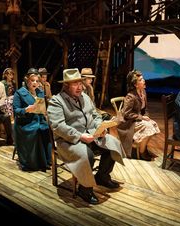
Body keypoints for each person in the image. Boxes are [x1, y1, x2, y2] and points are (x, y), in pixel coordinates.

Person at [47, 68, 126, 204]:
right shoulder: (56, 101)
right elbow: (58, 126)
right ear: (66, 86)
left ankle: (102, 176)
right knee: (87, 154)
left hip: (91, 134)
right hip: (69, 140)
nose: (80, 87)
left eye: (80, 83)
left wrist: (100, 127)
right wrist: (80, 136)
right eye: (75, 84)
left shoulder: (85, 97)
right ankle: (85, 189)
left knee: (112, 143)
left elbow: (94, 115)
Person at [13, 68, 52, 172]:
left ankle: (46, 161)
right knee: (36, 131)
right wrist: (26, 109)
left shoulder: (40, 92)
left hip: (39, 119)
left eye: (37, 81)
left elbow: (43, 106)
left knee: (47, 129)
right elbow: (16, 110)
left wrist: (45, 111)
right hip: (25, 123)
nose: (35, 83)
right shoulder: (19, 93)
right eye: (32, 80)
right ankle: (32, 163)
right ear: (27, 80)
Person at [116, 69, 160, 160]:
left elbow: (145, 108)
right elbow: (126, 114)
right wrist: (141, 117)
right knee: (148, 127)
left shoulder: (143, 92)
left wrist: (146, 115)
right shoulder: (131, 96)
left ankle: (143, 148)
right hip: (128, 122)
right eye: (140, 80)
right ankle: (142, 152)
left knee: (153, 124)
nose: (143, 81)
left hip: (137, 119)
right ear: (135, 85)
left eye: (143, 79)